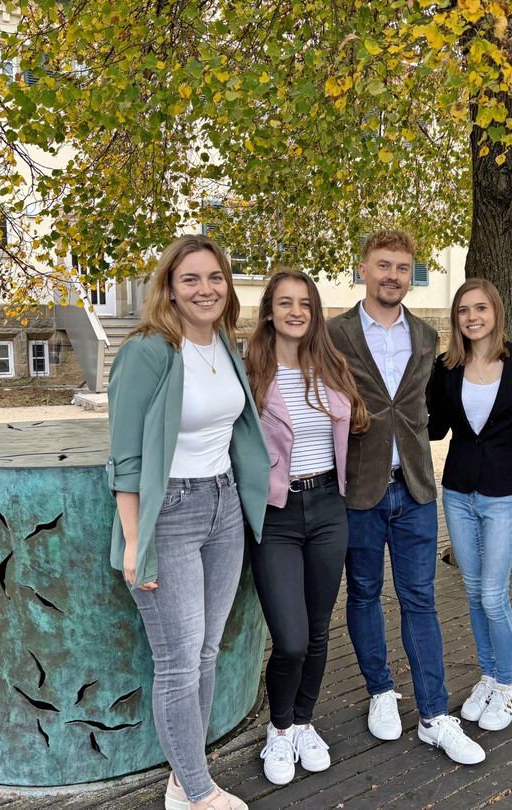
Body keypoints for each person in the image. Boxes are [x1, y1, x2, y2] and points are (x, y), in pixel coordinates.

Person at [107, 234, 269, 810]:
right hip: (169, 515)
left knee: (205, 653)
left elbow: (236, 431)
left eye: (216, 278)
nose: (206, 289)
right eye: (191, 279)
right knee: (178, 660)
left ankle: (184, 781)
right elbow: (125, 456)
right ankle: (199, 792)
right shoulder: (149, 350)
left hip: (223, 507)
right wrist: (135, 542)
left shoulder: (225, 344)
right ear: (169, 290)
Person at [327, 229, 485, 765]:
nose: (393, 275)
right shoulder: (333, 334)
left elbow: (429, 407)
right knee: (365, 595)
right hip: (360, 490)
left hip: (415, 489)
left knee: (421, 600)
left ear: (411, 274)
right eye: (383, 265)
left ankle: (436, 715)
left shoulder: (426, 335)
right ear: (364, 269)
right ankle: (379, 691)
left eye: (402, 267)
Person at [244, 269, 370, 785]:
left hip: (327, 509)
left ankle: (301, 723)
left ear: (315, 312)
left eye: (305, 303)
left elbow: (356, 424)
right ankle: (276, 732)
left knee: (319, 630)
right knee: (291, 639)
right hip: (276, 515)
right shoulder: (249, 370)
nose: (296, 311)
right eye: (285, 302)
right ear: (269, 310)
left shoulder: (332, 365)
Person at [427, 278, 512, 732]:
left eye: (480, 308)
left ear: (496, 311)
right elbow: (435, 429)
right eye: (463, 311)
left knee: (495, 596)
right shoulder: (446, 366)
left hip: (501, 494)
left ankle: (509, 686)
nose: (472, 317)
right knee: (474, 594)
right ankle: (488, 677)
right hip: (455, 492)